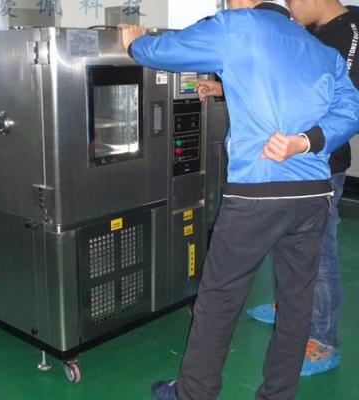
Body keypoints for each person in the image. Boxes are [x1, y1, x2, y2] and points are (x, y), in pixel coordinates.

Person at [119, 0, 359, 399]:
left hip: (256, 194)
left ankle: (193, 394)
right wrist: (306, 142)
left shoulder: (236, 26)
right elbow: (351, 108)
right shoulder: (317, 47)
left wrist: (135, 43)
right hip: (313, 195)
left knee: (219, 298)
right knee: (296, 303)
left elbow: (167, 51)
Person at [245, 0, 359, 377]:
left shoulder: (350, 34)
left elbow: (347, 108)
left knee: (320, 252)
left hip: (322, 164)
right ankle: (289, 305)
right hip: (292, 162)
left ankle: (323, 339)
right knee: (288, 241)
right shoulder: (313, 31)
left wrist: (303, 141)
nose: (289, 7)